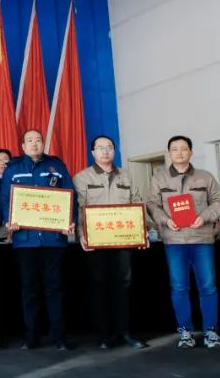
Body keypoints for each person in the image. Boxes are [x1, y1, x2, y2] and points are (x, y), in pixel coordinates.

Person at [146, 135, 220, 350]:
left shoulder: (205, 177)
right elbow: (152, 205)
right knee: (179, 286)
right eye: (175, 149)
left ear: (191, 152)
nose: (179, 152)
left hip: (201, 239)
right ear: (169, 153)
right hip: (174, 241)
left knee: (208, 286)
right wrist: (166, 220)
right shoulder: (159, 178)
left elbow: (218, 202)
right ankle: (185, 331)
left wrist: (205, 217)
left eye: (183, 148)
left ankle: (211, 332)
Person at [1, 129, 76, 350]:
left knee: (55, 288)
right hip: (26, 240)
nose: (34, 144)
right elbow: (5, 199)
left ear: (43, 144)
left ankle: (59, 337)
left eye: (38, 140)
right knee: (29, 289)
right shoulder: (13, 170)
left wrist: (70, 221)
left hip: (53, 238)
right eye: (30, 141)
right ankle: (31, 337)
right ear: (23, 146)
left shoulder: (57, 167)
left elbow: (71, 197)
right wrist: (9, 220)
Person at [72, 136, 147, 350]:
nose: (105, 151)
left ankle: (125, 332)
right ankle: (104, 336)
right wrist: (81, 234)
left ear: (114, 151)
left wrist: (141, 231)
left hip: (123, 240)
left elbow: (137, 203)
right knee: (100, 286)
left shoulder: (126, 175)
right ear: (93, 152)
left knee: (123, 286)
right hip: (96, 242)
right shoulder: (82, 177)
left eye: (109, 147)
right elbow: (79, 209)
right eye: (100, 148)